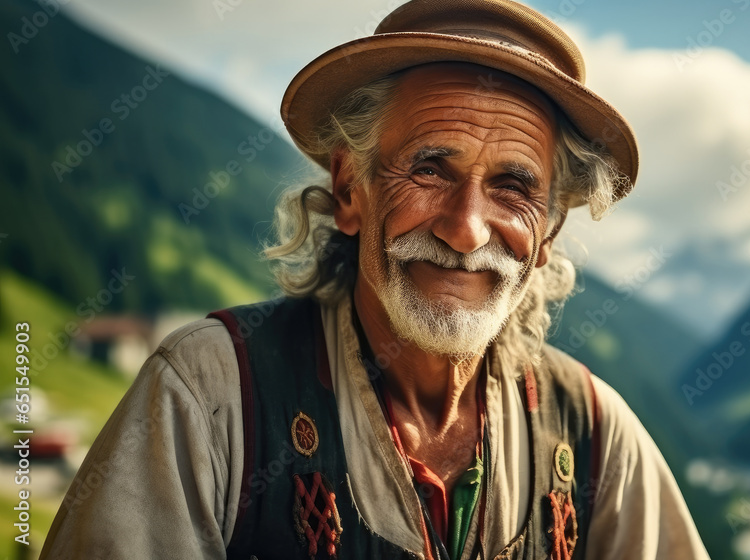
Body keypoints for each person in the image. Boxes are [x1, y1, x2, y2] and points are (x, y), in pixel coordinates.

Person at [40, 0, 709, 558]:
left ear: (549, 235)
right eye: (429, 168)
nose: (466, 229)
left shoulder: (593, 436)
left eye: (513, 186)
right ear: (349, 189)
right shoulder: (209, 398)